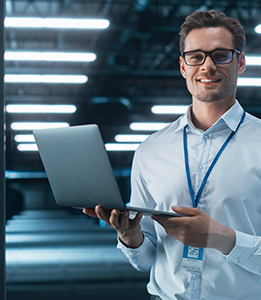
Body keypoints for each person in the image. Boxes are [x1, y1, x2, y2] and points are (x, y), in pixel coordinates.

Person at [83, 10, 261, 300]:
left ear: (240, 62)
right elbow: (147, 258)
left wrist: (221, 238)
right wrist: (131, 238)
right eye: (196, 56)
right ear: (183, 66)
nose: (207, 66)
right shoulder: (151, 149)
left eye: (220, 55)